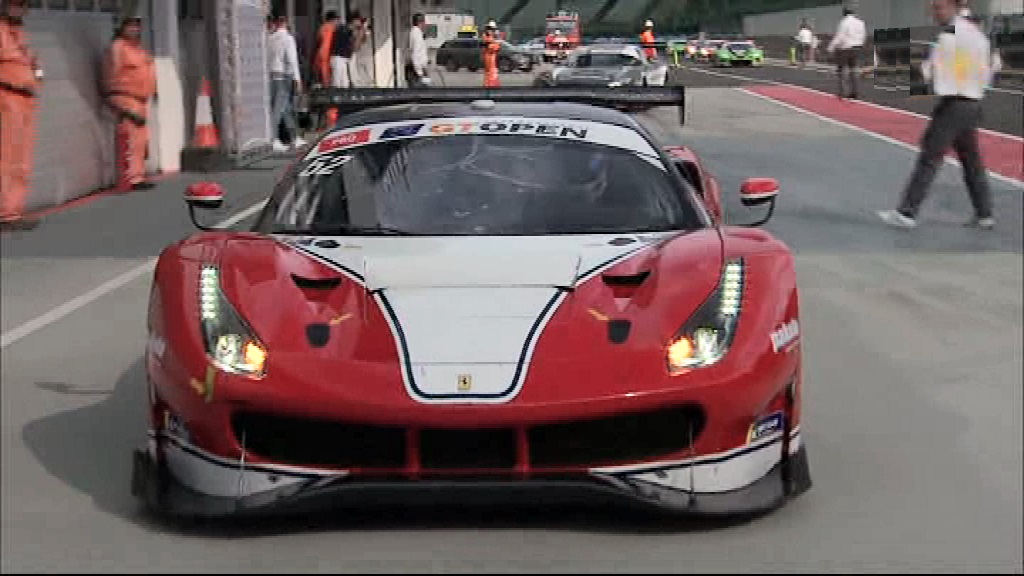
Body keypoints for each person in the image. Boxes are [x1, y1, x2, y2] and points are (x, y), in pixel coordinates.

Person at [878, 0, 998, 230]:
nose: (934, 13)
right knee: (971, 161)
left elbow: (928, 72)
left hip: (953, 104)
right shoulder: (977, 35)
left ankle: (906, 212)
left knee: (930, 156)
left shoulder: (950, 36)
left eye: (938, 7)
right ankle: (984, 214)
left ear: (954, 6)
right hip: (972, 104)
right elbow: (993, 66)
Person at [0, 0, 41, 231]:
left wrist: (36, 76)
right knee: (7, 158)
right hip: (7, 97)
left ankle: (13, 211)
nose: (18, 9)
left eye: (22, 5)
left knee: (22, 160)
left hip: (25, 99)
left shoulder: (21, 35)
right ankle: (5, 214)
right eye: (14, 4)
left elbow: (33, 65)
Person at [105, 16, 157, 191]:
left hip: (140, 99)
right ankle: (131, 178)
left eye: (136, 26)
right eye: (130, 26)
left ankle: (138, 176)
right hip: (126, 98)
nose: (134, 29)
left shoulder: (138, 50)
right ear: (121, 28)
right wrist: (116, 101)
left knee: (140, 141)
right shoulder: (117, 48)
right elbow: (110, 75)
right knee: (131, 140)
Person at [267, 13, 304, 152]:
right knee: (278, 110)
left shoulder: (270, 38)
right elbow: (292, 59)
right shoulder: (288, 38)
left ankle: (295, 137)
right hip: (284, 76)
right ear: (285, 23)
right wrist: (297, 79)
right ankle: (274, 139)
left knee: (285, 109)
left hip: (272, 76)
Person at [827, 7, 866, 99]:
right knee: (854, 70)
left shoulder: (844, 22)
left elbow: (840, 36)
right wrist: (860, 44)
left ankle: (843, 92)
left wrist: (830, 48)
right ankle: (855, 92)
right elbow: (863, 35)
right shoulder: (861, 22)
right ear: (853, 13)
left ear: (844, 13)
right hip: (857, 48)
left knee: (842, 70)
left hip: (845, 48)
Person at [330, 11, 367, 91]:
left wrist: (362, 31)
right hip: (338, 59)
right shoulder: (344, 30)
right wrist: (361, 31)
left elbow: (358, 45)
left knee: (344, 83)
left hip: (343, 59)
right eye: (359, 20)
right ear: (354, 21)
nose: (360, 23)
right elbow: (355, 47)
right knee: (338, 83)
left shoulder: (349, 30)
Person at [406, 12, 430, 88]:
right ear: (420, 22)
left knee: (426, 87)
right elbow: (415, 54)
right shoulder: (416, 34)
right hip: (417, 71)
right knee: (421, 90)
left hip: (419, 68)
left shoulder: (417, 32)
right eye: (424, 21)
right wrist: (420, 73)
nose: (425, 24)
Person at [482, 20, 500, 88]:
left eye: (492, 29)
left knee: (492, 71)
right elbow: (491, 47)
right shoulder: (487, 37)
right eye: (490, 29)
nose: (491, 31)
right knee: (490, 71)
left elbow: (496, 47)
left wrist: (496, 41)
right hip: (489, 55)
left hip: (492, 56)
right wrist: (495, 42)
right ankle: (489, 85)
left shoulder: (492, 37)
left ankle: (491, 84)